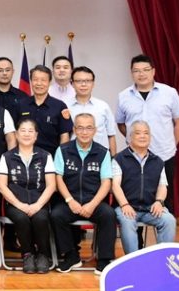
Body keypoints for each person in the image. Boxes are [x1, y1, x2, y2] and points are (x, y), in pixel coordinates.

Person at [116, 54, 179, 213]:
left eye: (146, 70)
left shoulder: (169, 93)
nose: (141, 74)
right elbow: (121, 124)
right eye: (136, 71)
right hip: (135, 157)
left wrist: (171, 143)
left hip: (164, 153)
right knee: (134, 196)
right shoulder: (123, 96)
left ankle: (166, 229)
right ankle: (136, 230)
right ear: (131, 73)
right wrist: (134, 141)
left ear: (153, 71)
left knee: (165, 199)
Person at [50, 113, 116, 274]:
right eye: (80, 128)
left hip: (93, 201)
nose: (84, 132)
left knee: (109, 215)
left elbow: (106, 182)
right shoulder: (63, 150)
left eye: (89, 128)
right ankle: (71, 256)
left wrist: (92, 204)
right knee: (56, 215)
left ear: (95, 130)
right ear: (74, 130)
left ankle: (104, 259)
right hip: (69, 200)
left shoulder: (103, 152)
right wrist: (69, 200)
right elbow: (58, 178)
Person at [0, 118, 56, 274]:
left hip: (39, 202)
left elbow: (51, 185)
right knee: (21, 218)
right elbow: (1, 185)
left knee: (40, 218)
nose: (27, 134)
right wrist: (20, 205)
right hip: (15, 204)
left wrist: (38, 205)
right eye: (23, 131)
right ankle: (27, 254)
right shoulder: (7, 157)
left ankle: (43, 254)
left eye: (30, 131)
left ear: (36, 135)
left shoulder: (45, 156)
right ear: (16, 134)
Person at [112, 121, 176, 254]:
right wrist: (124, 205)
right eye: (138, 133)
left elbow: (162, 186)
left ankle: (163, 259)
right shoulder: (119, 158)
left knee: (169, 220)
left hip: (149, 208)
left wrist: (159, 202)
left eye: (146, 133)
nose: (142, 136)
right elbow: (115, 185)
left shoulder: (158, 161)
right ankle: (133, 261)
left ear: (150, 137)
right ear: (130, 136)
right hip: (126, 207)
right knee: (127, 222)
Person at [17, 65, 72, 156]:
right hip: (24, 156)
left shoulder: (59, 106)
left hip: (51, 157)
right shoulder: (21, 104)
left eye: (43, 80)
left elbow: (64, 135)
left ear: (49, 82)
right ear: (31, 81)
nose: (39, 83)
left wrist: (61, 158)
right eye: (35, 80)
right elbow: (14, 132)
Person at [68, 66, 117, 156]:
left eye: (87, 81)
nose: (83, 84)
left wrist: (113, 159)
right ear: (72, 84)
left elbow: (111, 135)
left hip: (100, 157)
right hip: (73, 157)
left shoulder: (103, 106)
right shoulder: (65, 106)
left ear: (93, 84)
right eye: (78, 81)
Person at [0, 57, 29, 123]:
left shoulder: (22, 96)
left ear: (13, 72)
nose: (4, 73)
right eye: (0, 70)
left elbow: (26, 121)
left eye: (8, 70)